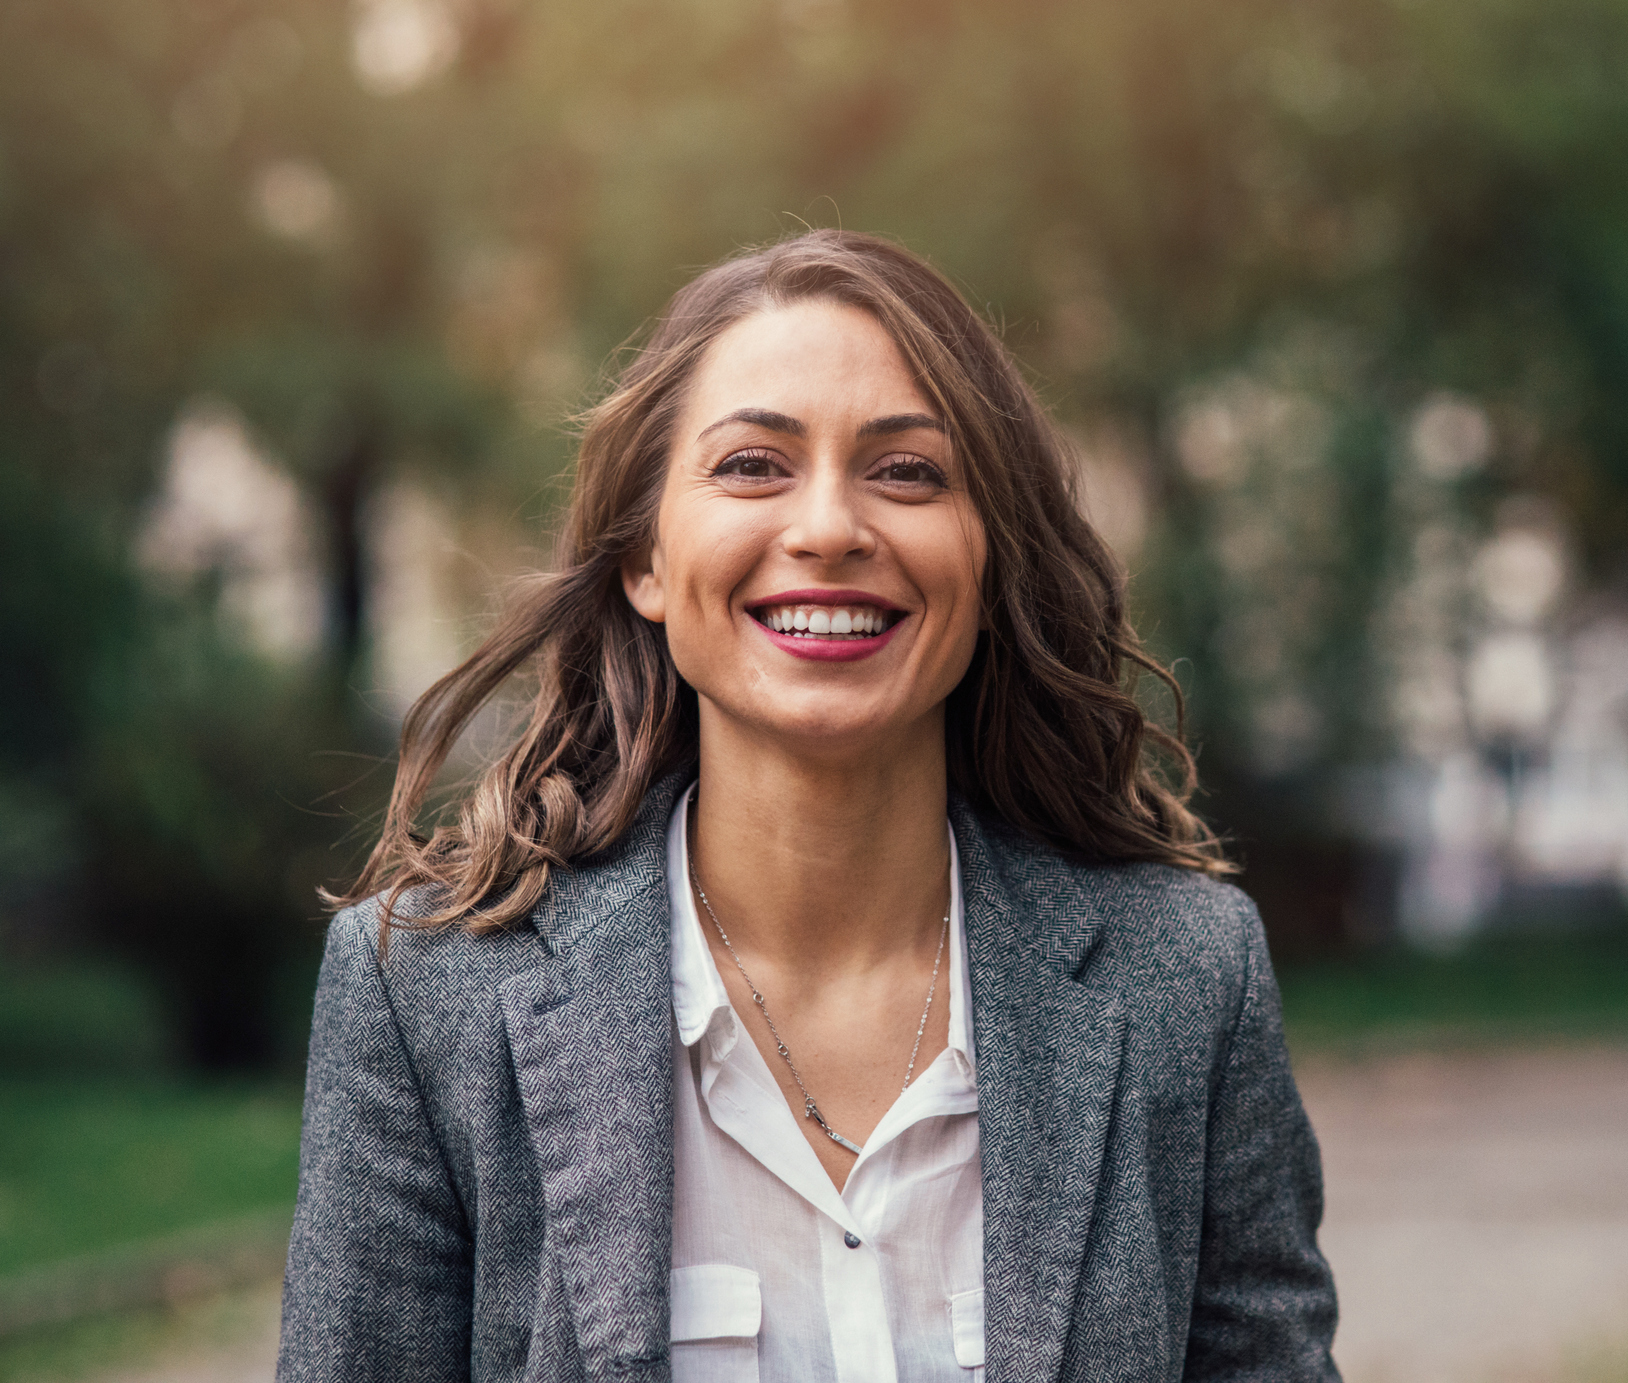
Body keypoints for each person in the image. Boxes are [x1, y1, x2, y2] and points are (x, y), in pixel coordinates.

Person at [278, 229, 1338, 1382]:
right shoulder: (424, 995)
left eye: (908, 472)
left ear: (989, 559)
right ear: (644, 561)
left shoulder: (1187, 975)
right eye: (751, 466)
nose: (829, 528)